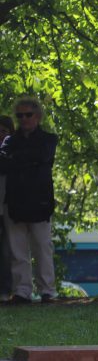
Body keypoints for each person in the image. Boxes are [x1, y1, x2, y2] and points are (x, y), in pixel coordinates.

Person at [0, 97, 59, 304]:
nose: (24, 119)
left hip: (40, 201)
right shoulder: (10, 141)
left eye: (28, 114)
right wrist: (27, 160)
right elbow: (3, 164)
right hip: (15, 202)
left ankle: (47, 291)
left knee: (42, 247)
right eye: (19, 115)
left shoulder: (49, 139)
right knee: (18, 251)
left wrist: (17, 160)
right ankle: (22, 291)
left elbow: (43, 157)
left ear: (38, 116)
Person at [0, 115, 14, 298]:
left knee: (8, 252)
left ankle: (6, 290)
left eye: (4, 131)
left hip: (10, 209)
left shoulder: (14, 153)